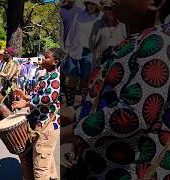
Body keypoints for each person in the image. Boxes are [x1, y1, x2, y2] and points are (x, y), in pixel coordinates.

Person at [61, 0, 170, 179]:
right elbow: (103, 103)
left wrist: (68, 133)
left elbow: (132, 115)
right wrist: (71, 113)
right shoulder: (123, 46)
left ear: (155, 3)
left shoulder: (160, 42)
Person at [12, 48, 63, 180]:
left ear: (55, 62)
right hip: (42, 124)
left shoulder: (56, 77)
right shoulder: (46, 76)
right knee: (47, 160)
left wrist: (27, 104)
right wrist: (25, 97)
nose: (43, 59)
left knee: (40, 167)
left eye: (47, 57)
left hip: (47, 125)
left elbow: (50, 97)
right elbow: (40, 96)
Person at [65, 0, 101, 108]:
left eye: (93, 4)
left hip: (89, 51)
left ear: (96, 6)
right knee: (72, 75)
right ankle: (70, 104)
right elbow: (72, 32)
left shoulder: (99, 19)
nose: (91, 6)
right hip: (74, 49)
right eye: (89, 3)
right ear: (86, 5)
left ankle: (82, 104)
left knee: (86, 78)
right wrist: (67, 48)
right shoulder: (78, 16)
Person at [89, 0, 127, 67]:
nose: (109, 11)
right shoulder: (98, 24)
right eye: (107, 9)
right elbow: (91, 43)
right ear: (104, 11)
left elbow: (127, 43)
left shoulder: (123, 25)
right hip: (101, 62)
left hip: (118, 62)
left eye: (111, 8)